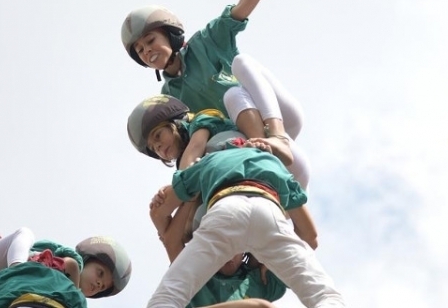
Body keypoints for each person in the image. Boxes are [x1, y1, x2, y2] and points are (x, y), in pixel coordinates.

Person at [120, 0, 312, 189]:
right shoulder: (169, 101)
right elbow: (189, 145)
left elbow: (243, 7)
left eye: (150, 40)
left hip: (276, 116)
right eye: (140, 50)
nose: (147, 51)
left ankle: (278, 137)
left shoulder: (206, 42)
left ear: (170, 34)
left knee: (240, 67)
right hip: (248, 140)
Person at [127, 95, 344, 308]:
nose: (158, 148)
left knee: (166, 298)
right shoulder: (272, 163)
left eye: (158, 137)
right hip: (270, 213)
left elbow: (165, 208)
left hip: (225, 212)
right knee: (324, 294)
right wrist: (270, 259)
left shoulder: (209, 161)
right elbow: (311, 237)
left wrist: (171, 196)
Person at [129, 94, 317, 246]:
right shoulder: (192, 168)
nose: (159, 147)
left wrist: (175, 188)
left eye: (158, 135)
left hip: (252, 169)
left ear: (176, 123)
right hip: (232, 197)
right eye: (154, 148)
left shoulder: (201, 122)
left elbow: (195, 148)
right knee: (193, 226)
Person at [150, 185, 287, 308]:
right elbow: (170, 240)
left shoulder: (257, 280)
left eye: (233, 246)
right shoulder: (193, 271)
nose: (227, 255)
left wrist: (269, 258)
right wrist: (190, 195)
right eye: (220, 245)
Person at [0, 227, 132, 304]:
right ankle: (17, 270)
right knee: (25, 233)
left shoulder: (65, 299)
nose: (98, 284)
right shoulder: (66, 258)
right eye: (100, 273)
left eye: (102, 287)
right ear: (86, 260)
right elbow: (70, 265)